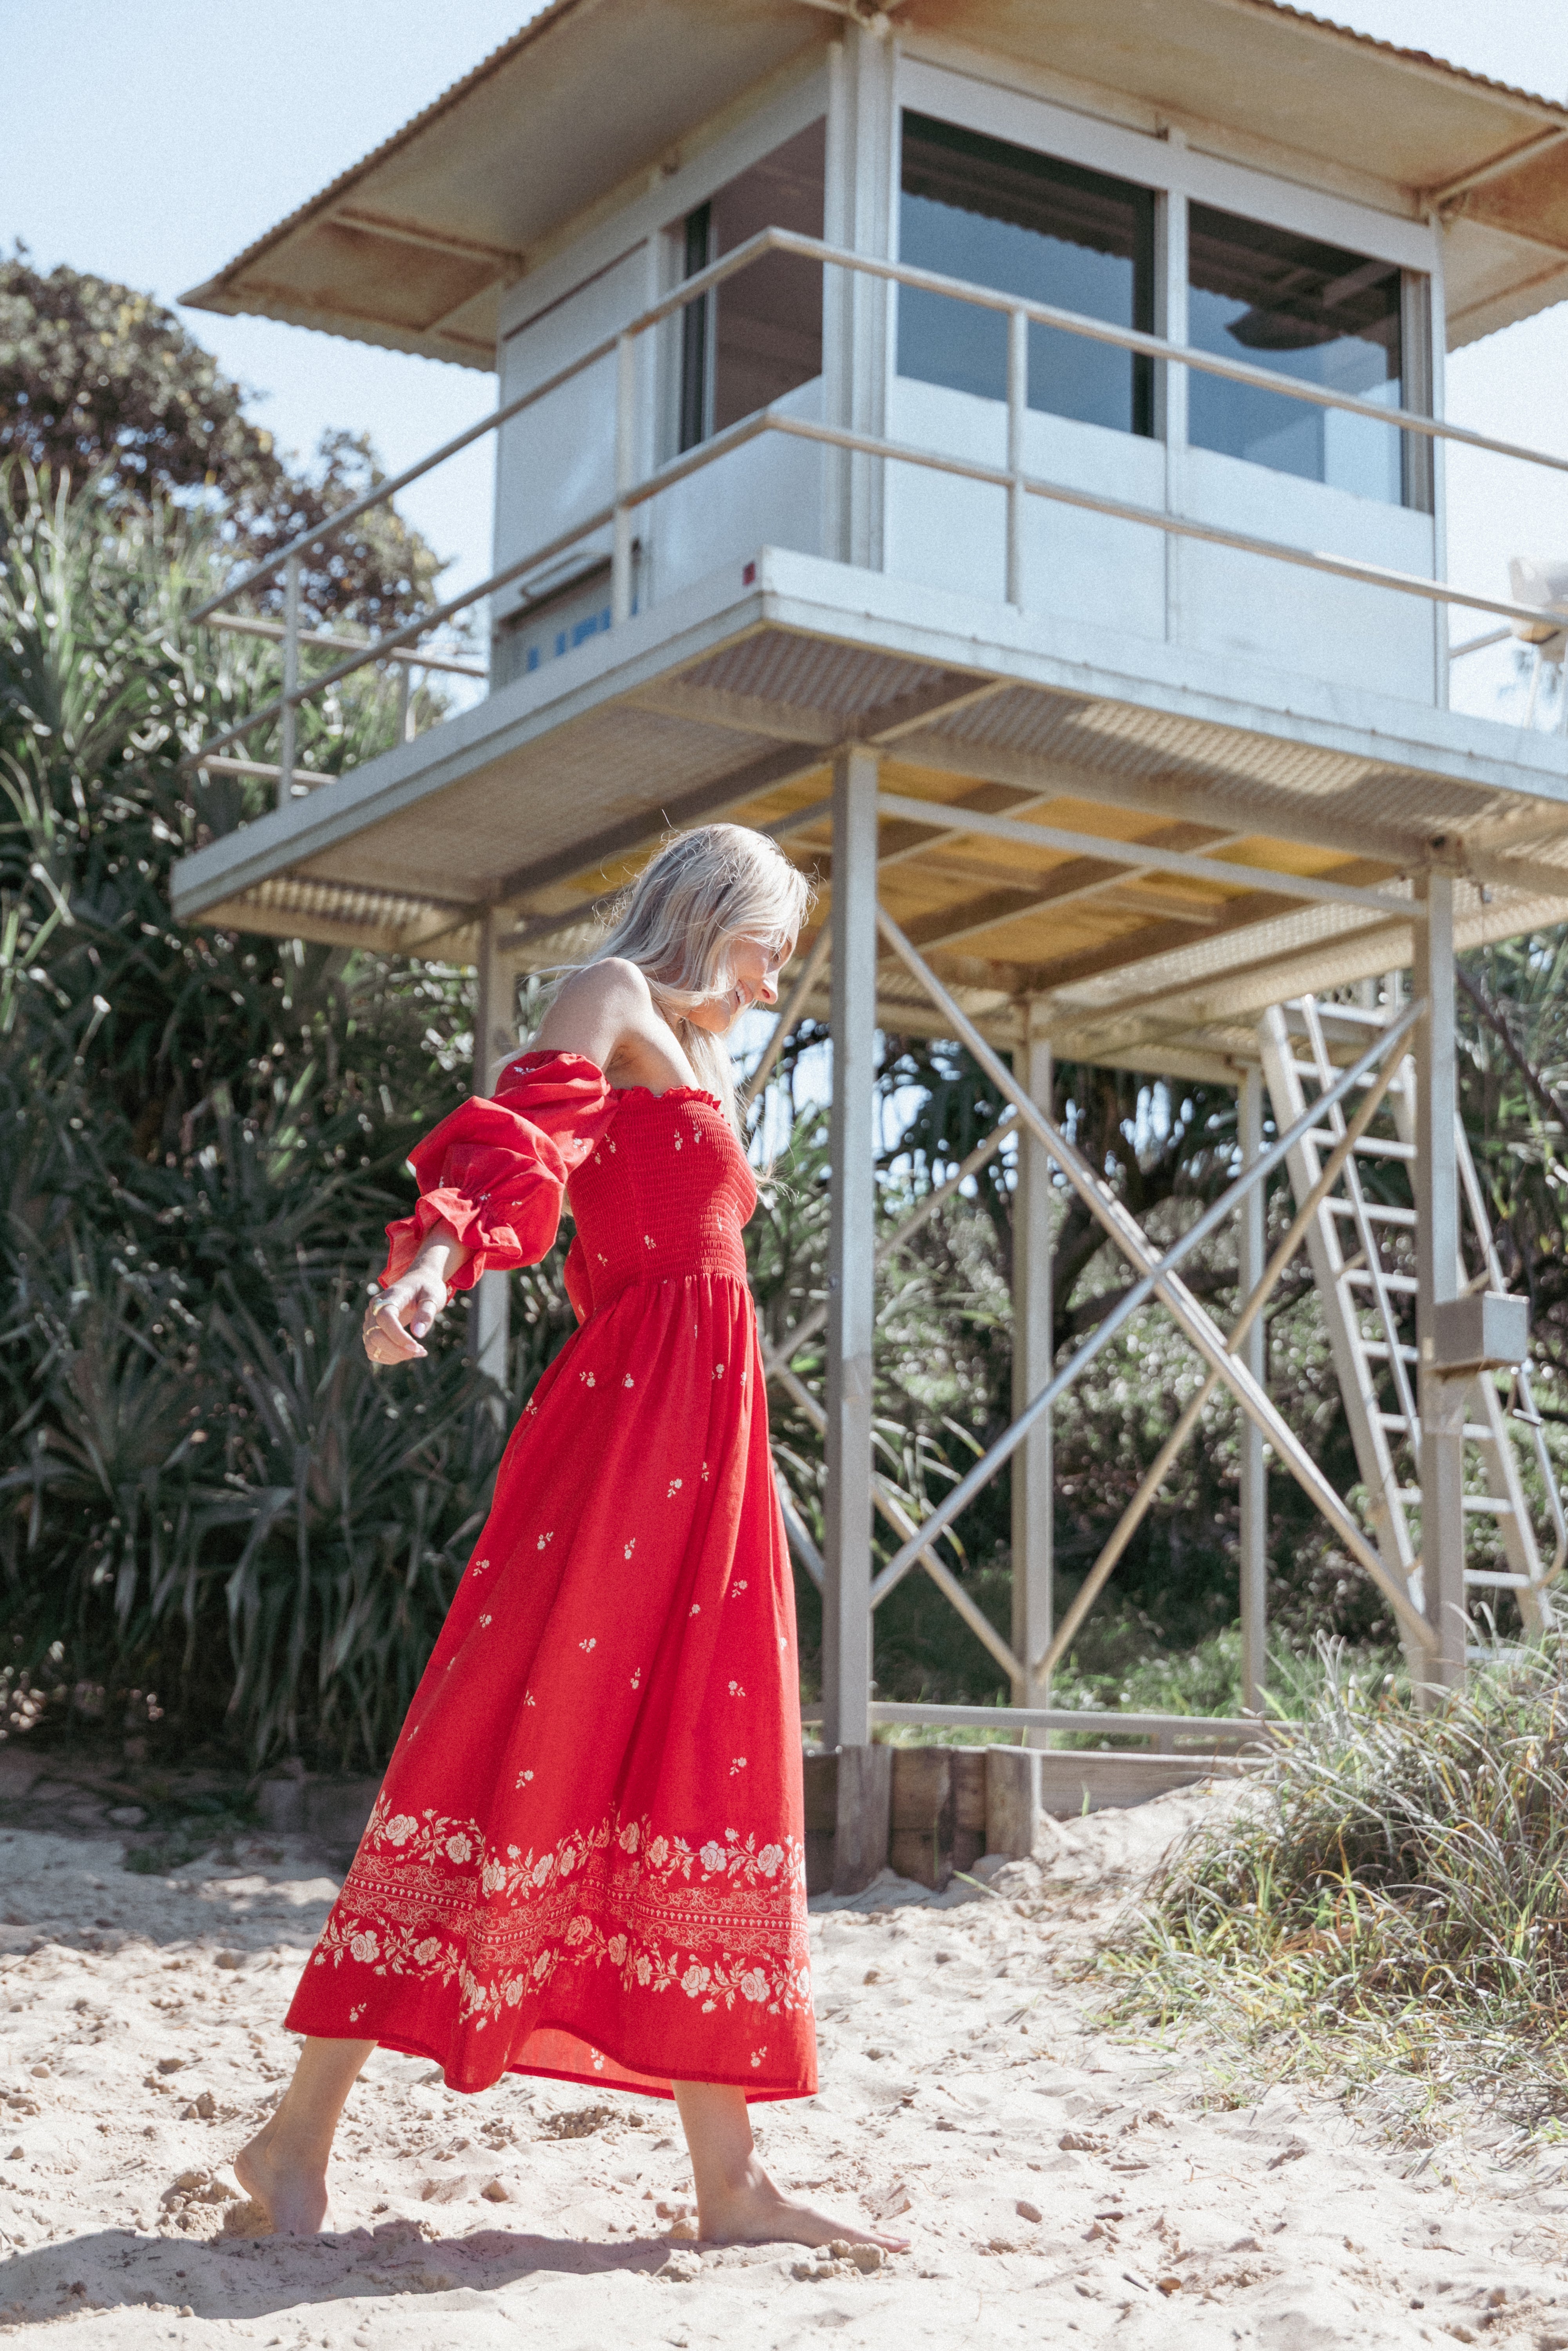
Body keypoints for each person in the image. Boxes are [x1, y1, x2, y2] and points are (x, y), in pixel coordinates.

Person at [234, 824, 905, 2257]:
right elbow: (520, 1137)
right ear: (710, 913)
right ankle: (293, 2140)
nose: (779, 967)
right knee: (493, 1738)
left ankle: (729, 2184)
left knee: (705, 1764)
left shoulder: (715, 1062)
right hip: (621, 1440)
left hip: (712, 1449)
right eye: (766, 936)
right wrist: (424, 1267)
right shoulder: (611, 996)